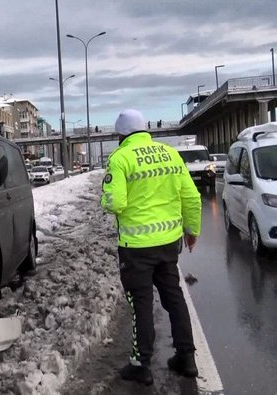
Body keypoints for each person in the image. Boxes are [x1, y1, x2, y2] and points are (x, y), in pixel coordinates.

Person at [101, 109, 201, 385]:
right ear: (146, 130)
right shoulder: (170, 154)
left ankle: (141, 364)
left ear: (121, 135)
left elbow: (115, 203)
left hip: (135, 248)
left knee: (141, 302)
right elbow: (191, 197)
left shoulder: (120, 158)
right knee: (174, 298)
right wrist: (191, 231)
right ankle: (187, 357)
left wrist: (105, 198)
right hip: (168, 244)